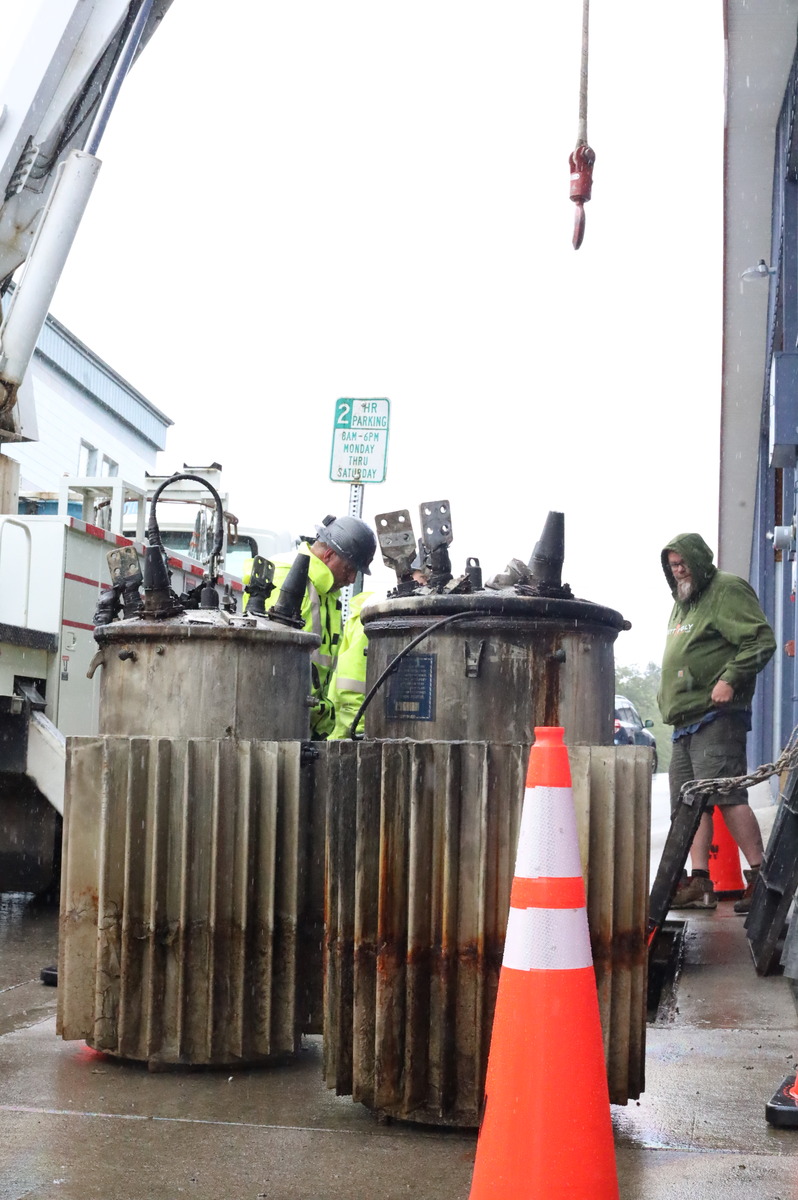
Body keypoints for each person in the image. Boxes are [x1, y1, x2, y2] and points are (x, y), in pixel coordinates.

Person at [658, 533, 776, 912]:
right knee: (688, 804)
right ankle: (699, 883)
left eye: (683, 563)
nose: (678, 571)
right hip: (685, 720)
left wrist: (729, 679)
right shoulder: (682, 602)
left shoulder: (726, 589)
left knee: (727, 795)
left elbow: (759, 639)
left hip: (716, 716)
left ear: (697, 559)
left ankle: (761, 879)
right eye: (673, 566)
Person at [243, 515, 376, 739]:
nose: (352, 579)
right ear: (329, 555)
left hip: (306, 725)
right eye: (350, 568)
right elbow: (267, 666)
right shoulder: (286, 577)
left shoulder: (325, 592)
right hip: (278, 725)